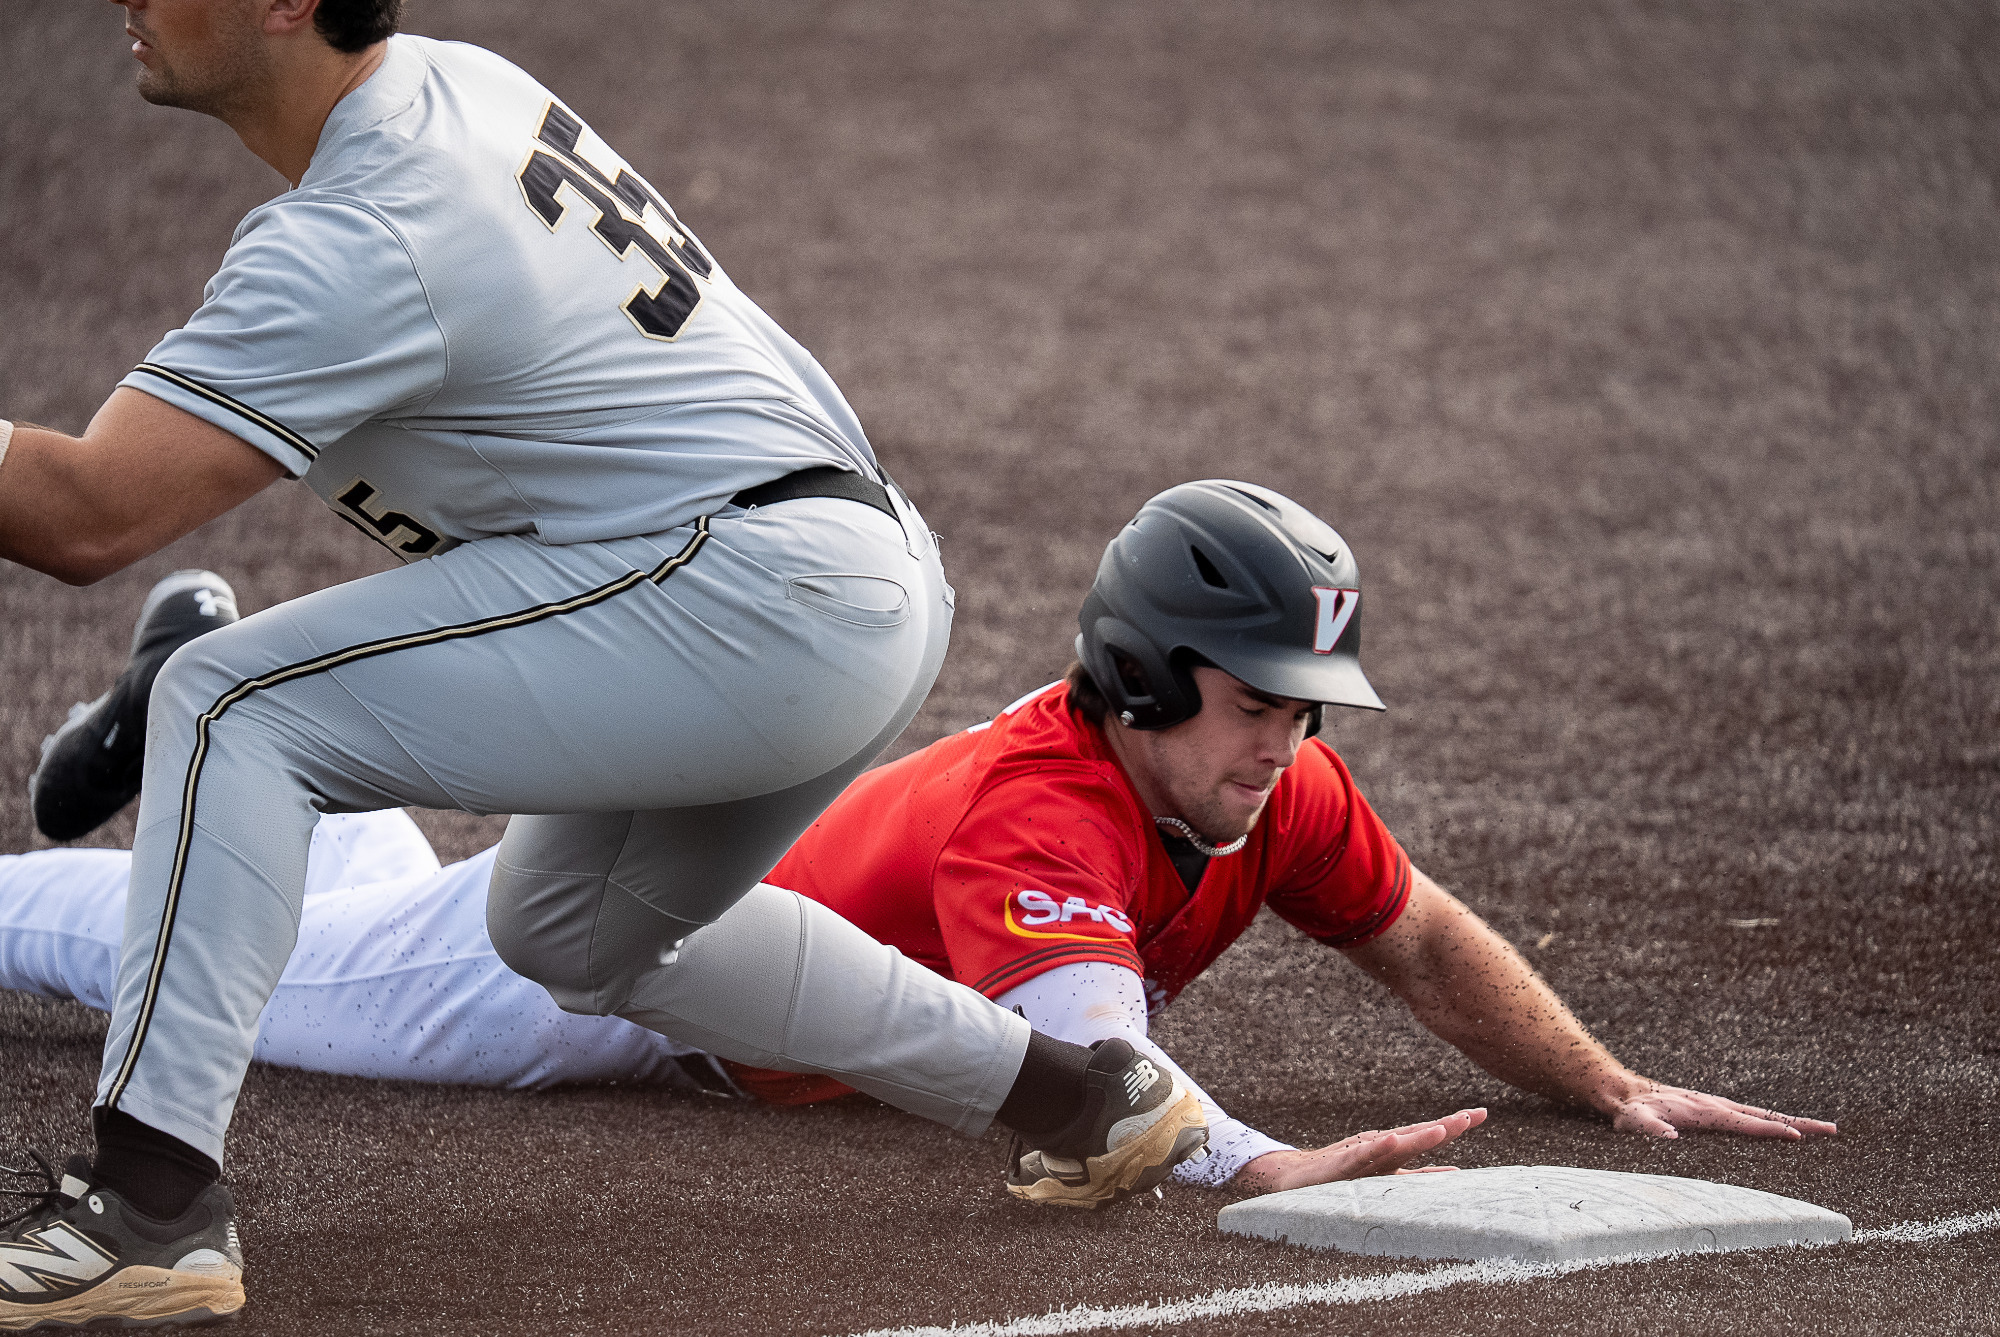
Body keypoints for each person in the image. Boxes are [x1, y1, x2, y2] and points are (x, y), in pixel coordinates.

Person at [0, 4, 1205, 1329]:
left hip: (747, 593)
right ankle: (1079, 1096)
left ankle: (151, 1198)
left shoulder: (362, 228)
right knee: (565, 927)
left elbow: (84, 514)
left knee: (228, 701)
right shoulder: (456, 89)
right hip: (862, 582)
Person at [8, 482, 1834, 1205]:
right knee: (230, 968)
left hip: (680, 955)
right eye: (1258, 694)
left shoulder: (1268, 788)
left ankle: (192, 707)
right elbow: (1100, 1075)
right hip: (619, 982)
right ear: (1136, 673)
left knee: (356, 897)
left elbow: (1426, 941)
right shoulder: (1040, 808)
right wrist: (1263, 1166)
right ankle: (148, 789)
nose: (1292, 735)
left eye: (1310, 700)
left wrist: (1602, 1082)